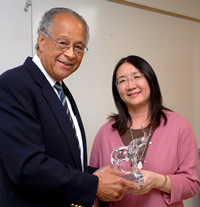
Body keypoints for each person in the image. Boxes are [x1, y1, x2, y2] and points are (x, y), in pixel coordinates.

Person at [0, 8, 139, 207]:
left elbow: (63, 160)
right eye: (63, 43)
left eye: (79, 47)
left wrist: (101, 175)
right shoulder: (14, 84)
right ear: (41, 41)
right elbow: (27, 167)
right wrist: (94, 184)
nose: (71, 54)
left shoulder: (59, 90)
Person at [90, 55, 200, 207]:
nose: (130, 85)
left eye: (136, 77)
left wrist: (157, 181)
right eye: (122, 80)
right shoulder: (104, 133)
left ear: (150, 79)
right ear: (117, 90)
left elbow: (191, 184)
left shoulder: (180, 126)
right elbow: (93, 185)